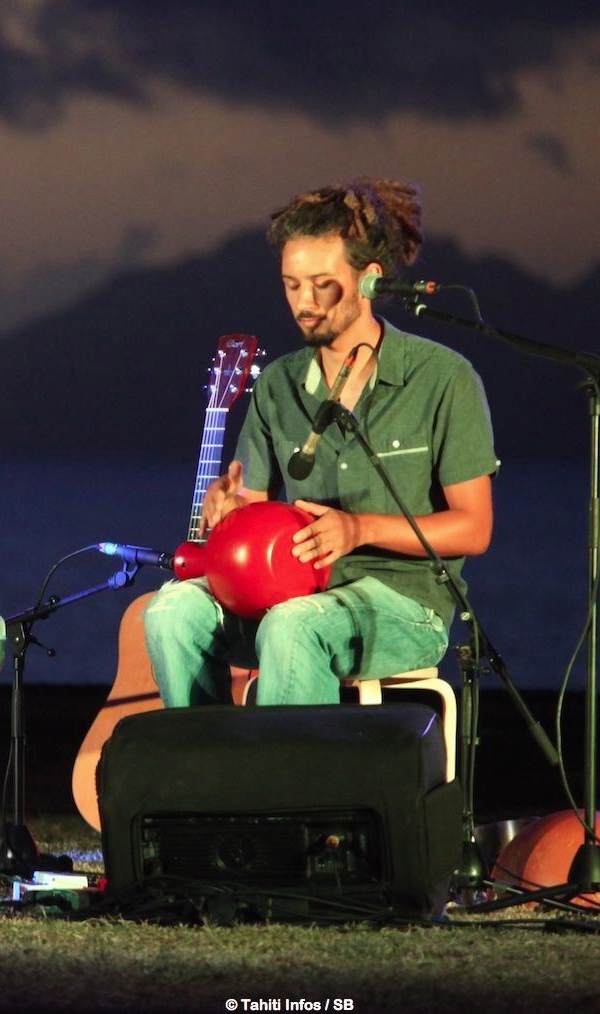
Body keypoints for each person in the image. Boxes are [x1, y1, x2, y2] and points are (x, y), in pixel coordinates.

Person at [144, 177, 497, 707]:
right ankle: (209, 774)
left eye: (322, 284)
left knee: (292, 628)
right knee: (171, 610)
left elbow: (474, 528)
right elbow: (252, 508)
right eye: (291, 285)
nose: (304, 303)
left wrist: (359, 530)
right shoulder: (278, 386)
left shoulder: (442, 378)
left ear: (369, 280)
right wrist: (229, 512)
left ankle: (289, 787)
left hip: (403, 605)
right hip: (288, 592)